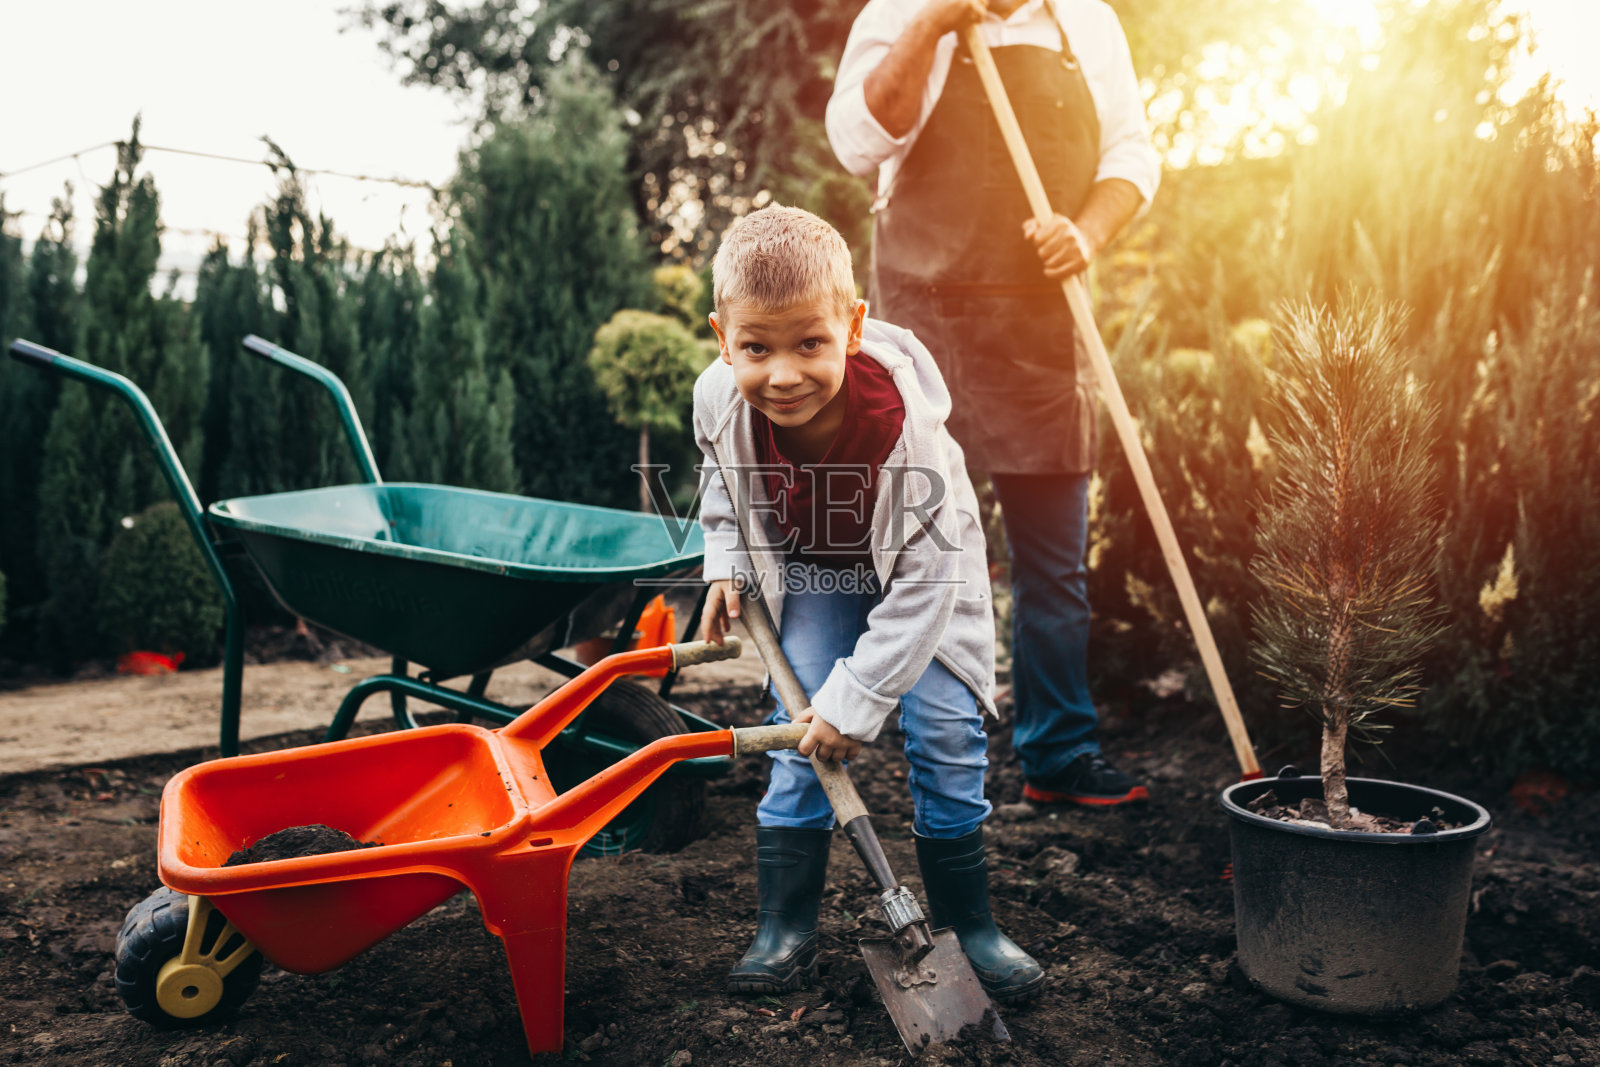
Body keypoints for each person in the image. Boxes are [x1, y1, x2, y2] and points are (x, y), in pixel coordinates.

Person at [694, 204, 1044, 1002]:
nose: (781, 374)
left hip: (924, 581)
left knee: (946, 734)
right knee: (799, 734)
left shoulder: (906, 431)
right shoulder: (717, 398)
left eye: (808, 343)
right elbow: (722, 484)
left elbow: (926, 582)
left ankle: (972, 924)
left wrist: (861, 697)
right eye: (756, 347)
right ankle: (784, 926)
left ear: (852, 326)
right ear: (723, 337)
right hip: (818, 573)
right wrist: (725, 560)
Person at [825, 0, 1161, 806]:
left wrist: (1086, 231)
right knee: (916, 549)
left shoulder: (1086, 23)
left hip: (1041, 328)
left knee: (1053, 563)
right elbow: (856, 141)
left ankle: (1059, 751)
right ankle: (924, 746)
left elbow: (1132, 155)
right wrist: (932, 25)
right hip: (925, 324)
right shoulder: (903, 12)